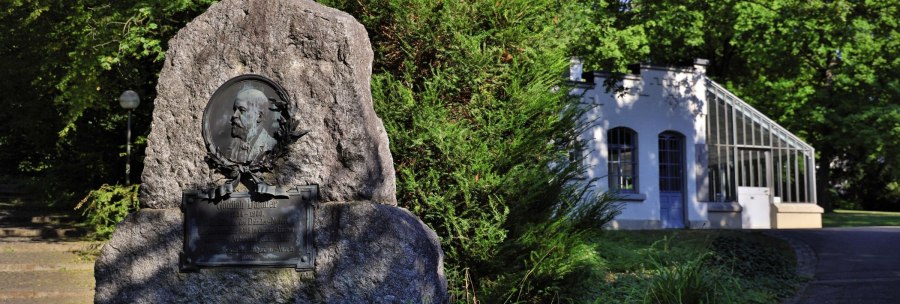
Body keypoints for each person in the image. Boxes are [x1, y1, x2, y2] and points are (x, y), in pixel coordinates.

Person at [226, 87, 278, 164]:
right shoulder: (230, 145)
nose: (234, 115)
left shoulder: (271, 145)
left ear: (259, 117)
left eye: (242, 110)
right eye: (235, 110)